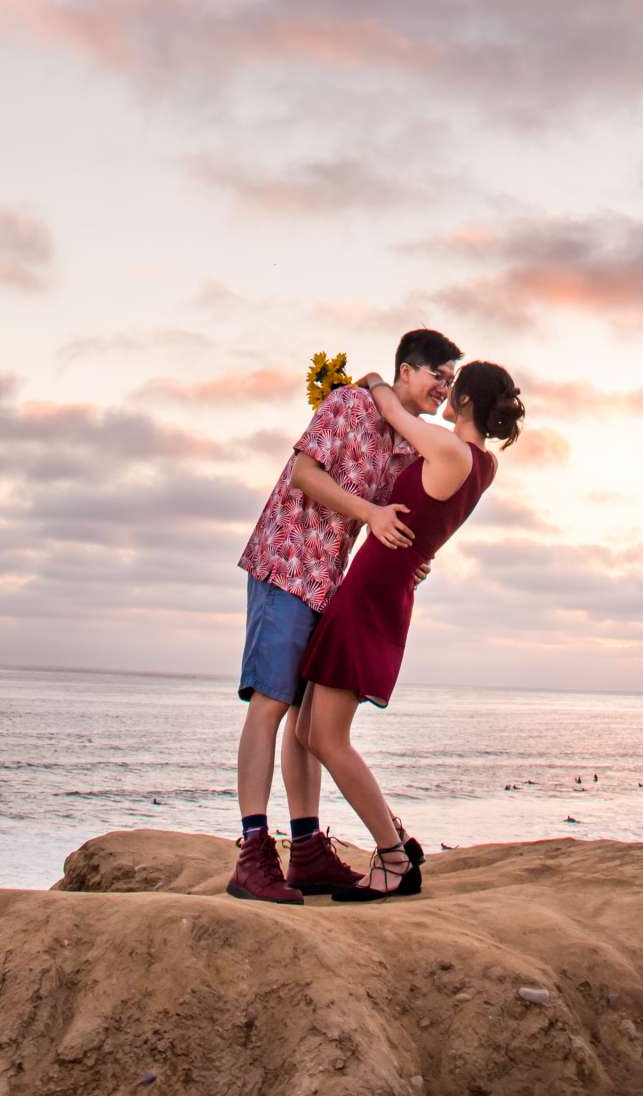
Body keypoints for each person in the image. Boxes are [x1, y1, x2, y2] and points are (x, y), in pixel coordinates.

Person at [228, 327, 462, 904]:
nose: (443, 388)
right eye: (437, 375)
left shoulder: (410, 443)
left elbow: (410, 513)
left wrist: (411, 559)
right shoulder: (348, 404)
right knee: (271, 702)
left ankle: (305, 849)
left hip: (330, 580)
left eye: (452, 381)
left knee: (307, 714)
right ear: (406, 370)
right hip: (287, 559)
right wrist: (371, 512)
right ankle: (253, 854)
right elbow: (305, 474)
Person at [293, 357, 525, 900]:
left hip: (374, 591)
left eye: (452, 385)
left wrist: (374, 380)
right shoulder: (483, 465)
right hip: (381, 584)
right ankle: (398, 836)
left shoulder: (451, 451)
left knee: (327, 737)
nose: (444, 390)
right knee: (308, 732)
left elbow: (393, 411)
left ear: (465, 400)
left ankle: (394, 859)